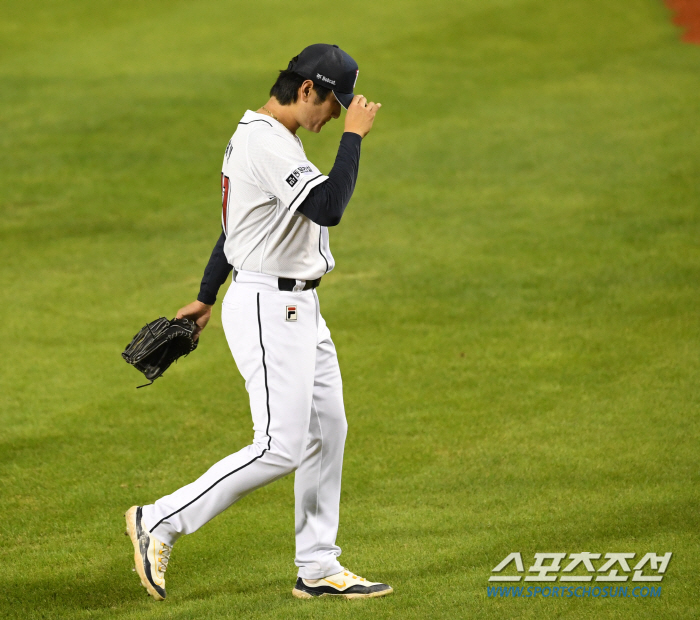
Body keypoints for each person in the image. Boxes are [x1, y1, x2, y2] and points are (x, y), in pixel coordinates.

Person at [125, 43, 391, 601]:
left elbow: (238, 229)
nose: (337, 114)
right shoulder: (264, 141)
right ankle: (159, 520)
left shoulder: (273, 139)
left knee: (327, 430)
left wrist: (204, 295)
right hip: (272, 308)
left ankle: (318, 566)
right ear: (305, 90)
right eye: (334, 104)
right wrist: (355, 139)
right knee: (278, 446)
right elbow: (329, 208)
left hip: (298, 308)